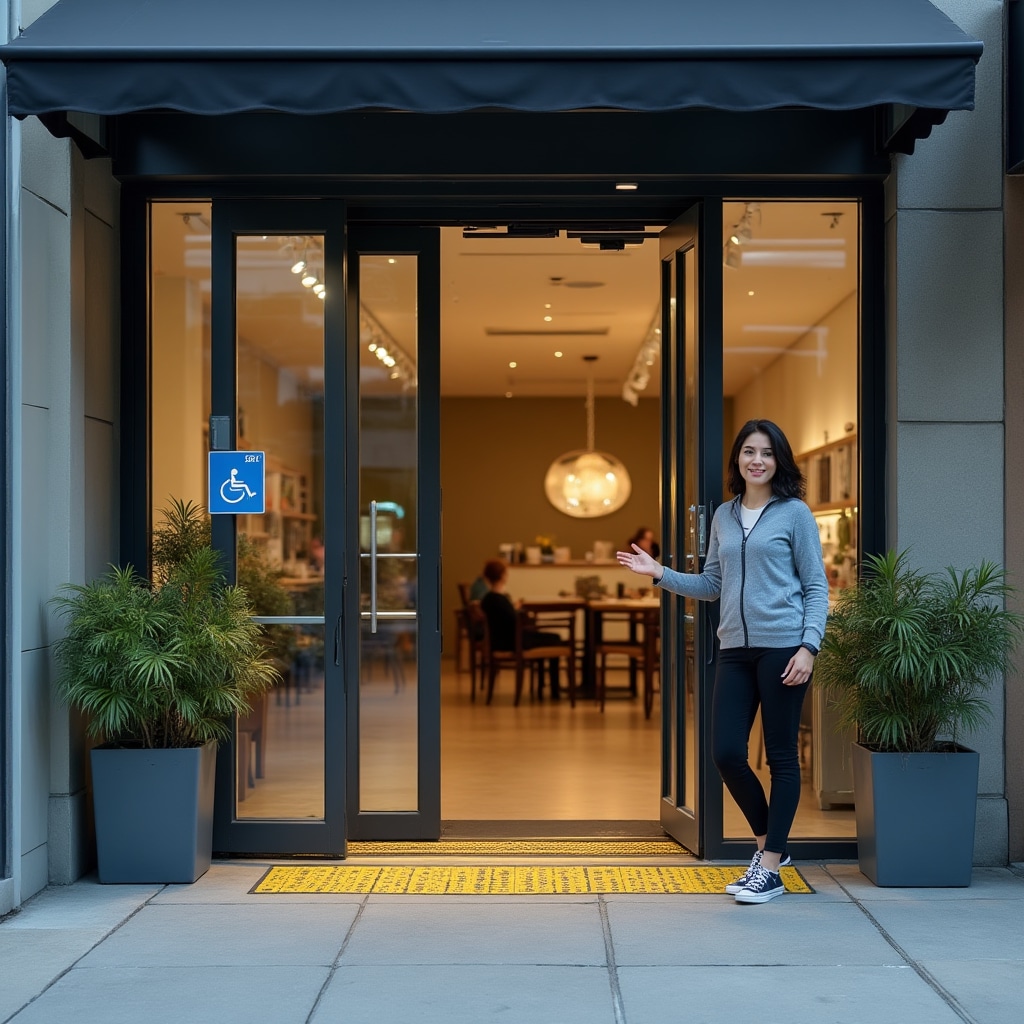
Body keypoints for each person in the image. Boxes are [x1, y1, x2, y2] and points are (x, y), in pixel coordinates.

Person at [617, 419, 827, 904]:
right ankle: (768, 850)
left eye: (767, 453)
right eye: (749, 451)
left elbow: (815, 587)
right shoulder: (724, 517)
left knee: (780, 757)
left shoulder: (794, 513)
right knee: (727, 753)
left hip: (783, 648)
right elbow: (712, 584)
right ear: (737, 459)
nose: (757, 460)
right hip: (733, 648)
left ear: (779, 460)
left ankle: (770, 866)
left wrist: (808, 647)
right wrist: (661, 573)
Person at [479, 558, 563, 699]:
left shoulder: (488, 599)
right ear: (502, 576)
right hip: (513, 641)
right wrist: (517, 610)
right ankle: (554, 691)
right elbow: (514, 620)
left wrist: (514, 609)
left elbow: (507, 617)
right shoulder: (499, 599)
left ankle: (544, 687)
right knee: (556, 639)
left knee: (552, 638)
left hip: (502, 639)